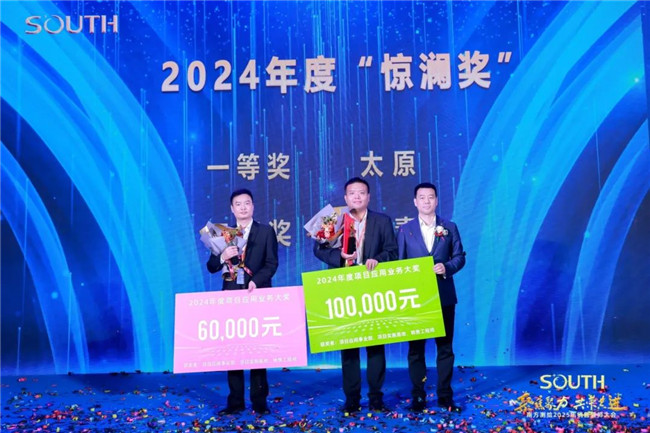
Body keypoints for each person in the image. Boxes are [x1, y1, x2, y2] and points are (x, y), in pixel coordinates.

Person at [313, 177, 398, 413]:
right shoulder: (334, 220)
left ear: (369, 197)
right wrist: (339, 258)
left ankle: (376, 398)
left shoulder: (382, 221)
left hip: (372, 287)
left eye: (361, 193)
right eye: (352, 193)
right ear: (345, 198)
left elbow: (392, 251)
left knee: (375, 345)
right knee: (348, 346)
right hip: (344, 287)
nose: (357, 197)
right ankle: (352, 399)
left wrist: (377, 259)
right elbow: (318, 248)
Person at [206, 188, 279, 415]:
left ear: (253, 206)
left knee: (258, 350)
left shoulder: (266, 231)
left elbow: (271, 263)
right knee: (233, 351)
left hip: (257, 295)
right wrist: (222, 256)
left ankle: (259, 402)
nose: (243, 207)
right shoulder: (222, 234)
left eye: (247, 203)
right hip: (231, 297)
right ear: (232, 208)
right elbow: (211, 267)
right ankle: (235, 402)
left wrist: (256, 280)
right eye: (238, 204)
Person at [396, 182, 466, 413]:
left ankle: (445, 396)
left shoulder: (449, 227)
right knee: (416, 349)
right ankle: (418, 396)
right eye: (422, 197)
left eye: (430, 197)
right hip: (415, 298)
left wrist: (447, 268)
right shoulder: (405, 230)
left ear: (436, 200)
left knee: (444, 348)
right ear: (415, 202)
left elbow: (460, 257)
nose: (426, 201)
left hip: (444, 295)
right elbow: (399, 265)